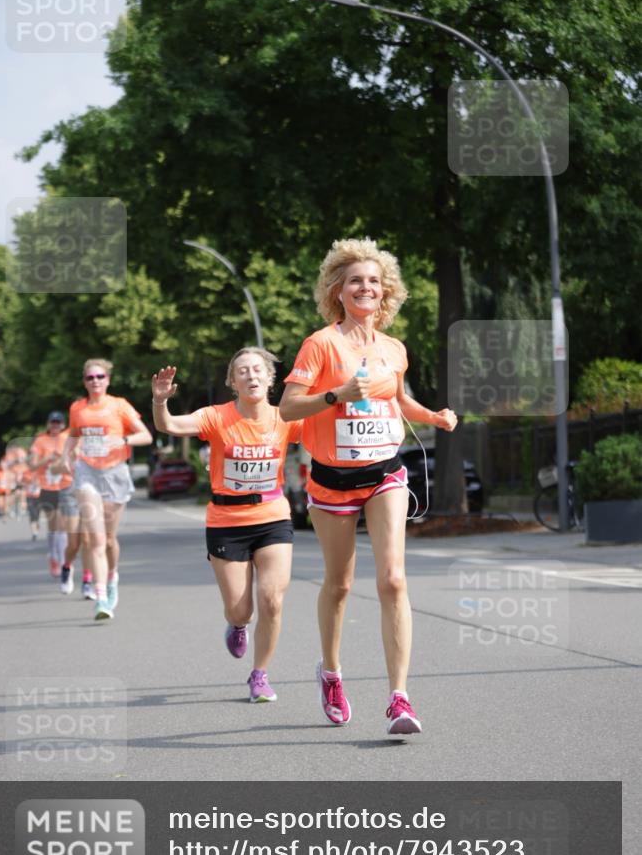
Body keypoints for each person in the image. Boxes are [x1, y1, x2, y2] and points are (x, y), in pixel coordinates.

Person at [279, 238, 457, 737]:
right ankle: (331, 673)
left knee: (393, 579)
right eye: (356, 279)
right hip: (332, 480)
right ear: (338, 290)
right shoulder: (321, 344)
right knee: (338, 586)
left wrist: (434, 416)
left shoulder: (394, 349)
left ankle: (399, 697)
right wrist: (336, 394)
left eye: (374, 281)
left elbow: (399, 400)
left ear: (386, 293)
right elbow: (289, 409)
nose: (366, 287)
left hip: (385, 473)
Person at [151, 348, 303, 704]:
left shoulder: (286, 417)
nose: (251, 376)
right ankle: (237, 625)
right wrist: (160, 402)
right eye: (242, 372)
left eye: (257, 370)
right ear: (233, 382)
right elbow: (169, 425)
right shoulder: (216, 417)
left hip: (272, 517)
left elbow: (325, 430)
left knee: (272, 600)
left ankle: (260, 675)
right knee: (242, 609)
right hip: (226, 521)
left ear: (270, 378)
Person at [57, 359, 152, 621]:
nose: (95, 381)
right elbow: (74, 434)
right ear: (84, 381)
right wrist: (67, 455)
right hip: (87, 473)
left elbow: (146, 435)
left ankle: (112, 578)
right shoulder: (77, 407)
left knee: (109, 539)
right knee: (96, 539)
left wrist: (121, 439)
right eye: (90, 378)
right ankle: (101, 598)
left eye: (100, 376)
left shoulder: (119, 405)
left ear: (108, 380)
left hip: (114, 474)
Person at [28, 412, 77, 577]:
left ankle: (63, 560)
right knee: (53, 525)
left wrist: (63, 458)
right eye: (53, 422)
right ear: (48, 424)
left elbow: (75, 457)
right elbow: (33, 466)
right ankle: (53, 556)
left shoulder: (68, 438)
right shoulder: (40, 440)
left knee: (63, 525)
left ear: (63, 424)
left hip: (66, 485)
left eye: (59, 423)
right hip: (47, 486)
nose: (55, 425)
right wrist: (47, 458)